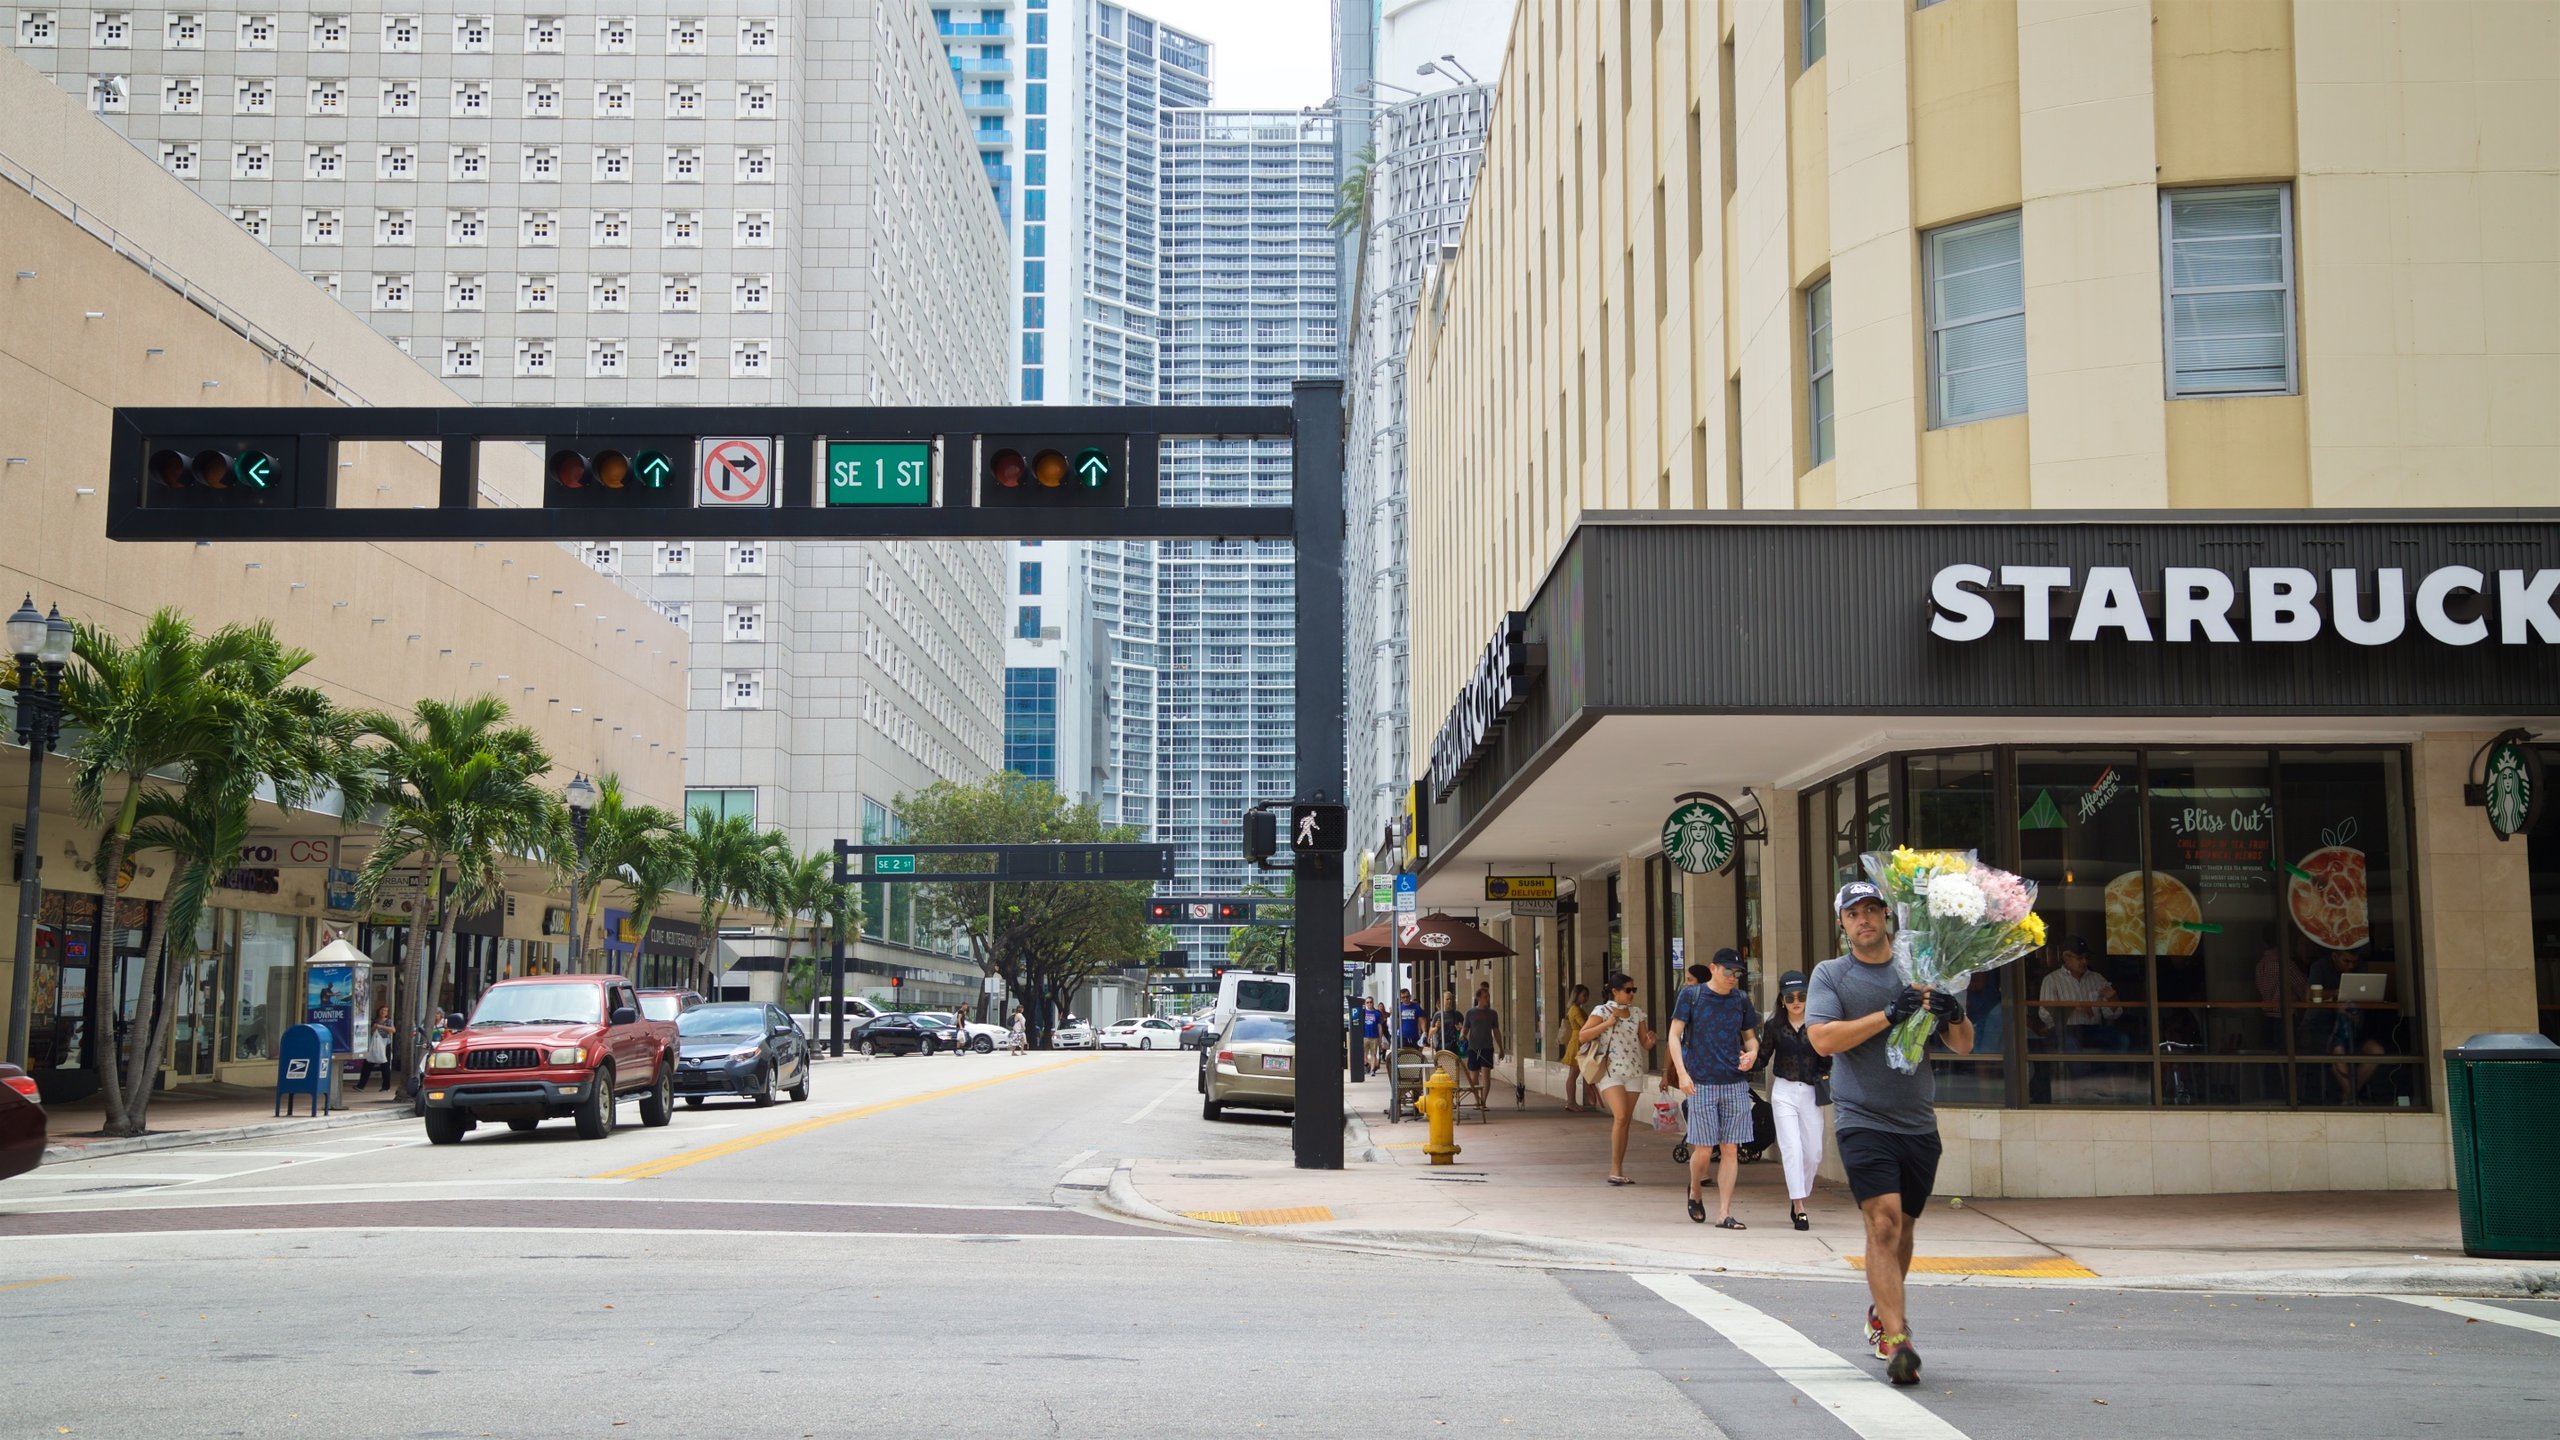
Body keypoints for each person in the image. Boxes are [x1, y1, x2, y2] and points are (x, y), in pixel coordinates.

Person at [1807, 878, 1974, 1388]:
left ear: (1887, 916)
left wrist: (1953, 1012)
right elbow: (1821, 1040)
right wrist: (1887, 1014)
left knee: (1902, 1229)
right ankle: (1898, 1339)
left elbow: (1963, 1045)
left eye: (1872, 910)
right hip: (1862, 1118)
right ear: (1841, 923)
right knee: (1881, 1225)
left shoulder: (1922, 970)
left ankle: (1881, 1314)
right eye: (1853, 912)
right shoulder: (1831, 975)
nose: (1864, 919)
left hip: (1918, 1122)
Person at [1667, 948, 1760, 1228]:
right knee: (1704, 1150)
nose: (1733, 977)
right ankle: (1695, 1188)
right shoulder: (1692, 996)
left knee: (1730, 1149)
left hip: (1734, 1081)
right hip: (1701, 1082)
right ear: (1713, 968)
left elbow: (1751, 1039)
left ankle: (1724, 1212)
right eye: (1728, 971)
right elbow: (1674, 1035)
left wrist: (1752, 1054)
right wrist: (1682, 1074)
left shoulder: (1741, 1000)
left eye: (1738, 973)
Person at [1759, 971, 1831, 1231]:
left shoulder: (1818, 1024)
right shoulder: (1774, 1026)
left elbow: (1829, 1058)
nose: (1796, 1002)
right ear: (1782, 1000)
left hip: (1811, 1091)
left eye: (1801, 996)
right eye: (1790, 997)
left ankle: (1799, 1193)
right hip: (1784, 1091)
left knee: (1813, 1153)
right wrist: (1744, 1061)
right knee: (1792, 1149)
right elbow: (1762, 1058)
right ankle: (1799, 1205)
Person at [1575, 972, 1655, 1186]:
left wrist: (1650, 1040)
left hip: (1634, 1071)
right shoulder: (1602, 1011)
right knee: (1620, 1116)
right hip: (1610, 1071)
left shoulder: (1637, 1013)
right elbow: (1583, 1035)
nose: (1631, 994)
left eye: (1633, 990)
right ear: (1615, 991)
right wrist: (1607, 1023)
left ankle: (1618, 1169)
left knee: (1625, 1120)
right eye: (1627, 990)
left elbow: (1644, 1044)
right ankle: (1614, 1169)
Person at [2036, 938, 2124, 1052]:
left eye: (2087, 957)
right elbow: (2045, 1015)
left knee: (2122, 1039)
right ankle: (2084, 1070)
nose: (2084, 962)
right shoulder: (2051, 980)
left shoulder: (2097, 978)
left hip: (2093, 1030)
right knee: (2071, 1044)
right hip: (2064, 1030)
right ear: (2066, 958)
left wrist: (2113, 998)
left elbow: (2111, 1015)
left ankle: (2112, 1071)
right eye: (2079, 958)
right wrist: (2071, 1007)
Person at [1462, 985, 1502, 1107]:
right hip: (1473, 1048)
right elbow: (1465, 1029)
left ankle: (1483, 1101)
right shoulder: (1470, 1013)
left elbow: (1496, 1031)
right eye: (1485, 997)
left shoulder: (1492, 1014)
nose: (1487, 999)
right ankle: (1477, 1099)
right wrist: (1462, 1035)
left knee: (1486, 1075)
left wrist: (1501, 1048)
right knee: (1473, 1077)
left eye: (1488, 997)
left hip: (1487, 1048)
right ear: (1478, 998)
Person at [1559, 983, 1592, 1113]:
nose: (1586, 998)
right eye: (1584, 995)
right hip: (1577, 1042)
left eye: (1587, 995)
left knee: (1573, 1074)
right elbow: (1584, 1025)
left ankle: (1571, 1102)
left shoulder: (1575, 1008)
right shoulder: (1575, 1009)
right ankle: (1571, 1102)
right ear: (1577, 995)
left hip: (1578, 1041)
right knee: (1573, 1075)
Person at [357, 1005, 394, 1091]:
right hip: (374, 1045)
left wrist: (381, 1026)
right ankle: (360, 1085)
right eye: (382, 1010)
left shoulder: (388, 1021)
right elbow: (369, 1030)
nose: (383, 1012)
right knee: (367, 1064)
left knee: (385, 1066)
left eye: (385, 1011)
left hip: (384, 1045)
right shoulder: (374, 1020)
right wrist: (374, 1027)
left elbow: (392, 1030)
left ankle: (386, 1087)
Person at [1360, 997, 1386, 1072]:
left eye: (1370, 1002)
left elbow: (1380, 1026)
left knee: (1373, 1054)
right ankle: (1367, 1064)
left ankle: (1372, 1070)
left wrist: (1380, 1038)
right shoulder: (1363, 1012)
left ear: (1373, 1003)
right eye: (1367, 1002)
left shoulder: (1377, 1013)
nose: (1369, 1004)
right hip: (1364, 1036)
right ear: (1365, 1003)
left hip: (1374, 1037)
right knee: (1363, 1055)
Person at [1437, 991, 1465, 1056]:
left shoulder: (1457, 1014)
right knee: (1441, 1065)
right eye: (1447, 999)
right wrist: (1436, 1027)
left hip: (1454, 1045)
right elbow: (1430, 1032)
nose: (1449, 1001)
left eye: (1451, 999)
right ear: (1442, 1001)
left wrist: (1461, 1029)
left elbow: (1465, 1028)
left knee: (1454, 1065)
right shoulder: (1438, 1015)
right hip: (1441, 1044)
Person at [1396, 988, 1423, 1053]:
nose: (1405, 999)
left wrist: (1423, 1032)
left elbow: (1421, 1020)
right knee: (1401, 1056)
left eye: (1407, 996)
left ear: (1410, 996)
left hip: (1414, 1037)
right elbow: (1396, 1021)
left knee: (1415, 1057)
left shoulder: (1416, 1007)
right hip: (1402, 1037)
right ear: (1401, 998)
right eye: (1403, 997)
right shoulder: (1399, 1008)